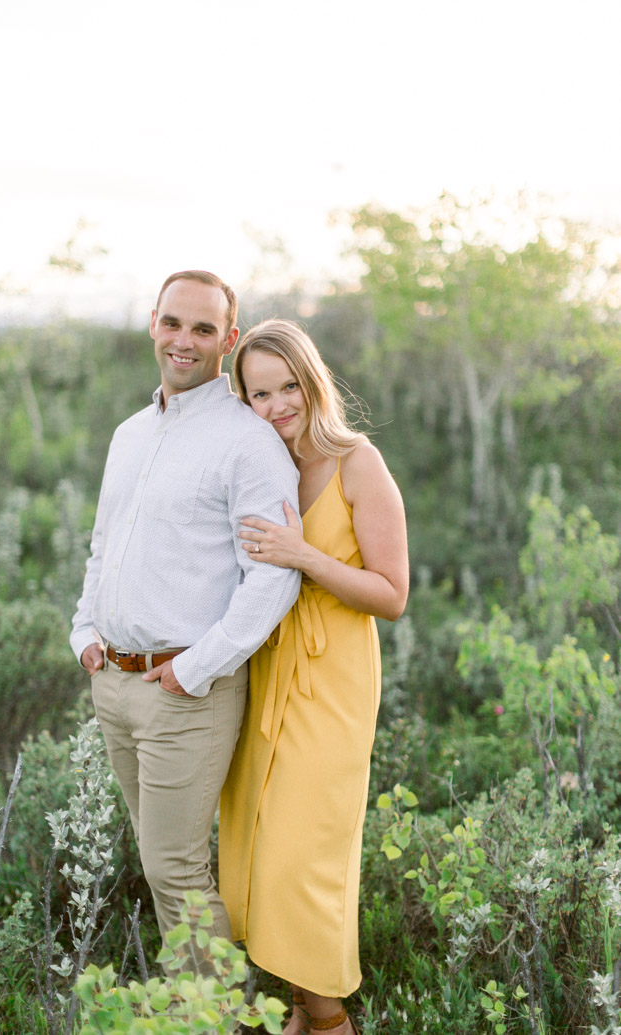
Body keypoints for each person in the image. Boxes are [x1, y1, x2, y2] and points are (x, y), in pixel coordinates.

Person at [70, 273, 301, 974]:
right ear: (152, 324)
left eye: (204, 330)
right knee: (158, 860)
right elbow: (105, 543)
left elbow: (274, 577)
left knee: (175, 869)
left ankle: (216, 1017)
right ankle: (202, 1008)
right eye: (174, 323)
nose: (185, 340)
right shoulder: (129, 434)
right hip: (112, 681)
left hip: (187, 691)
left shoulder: (247, 442)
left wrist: (196, 669)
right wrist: (84, 631)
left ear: (229, 342)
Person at [219, 319, 409, 1034]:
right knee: (261, 851)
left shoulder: (358, 462)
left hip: (331, 683)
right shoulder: (258, 466)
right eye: (259, 392)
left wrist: (304, 556)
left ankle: (329, 1020)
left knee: (303, 862)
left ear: (312, 380)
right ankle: (301, 1011)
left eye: (288, 385)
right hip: (264, 673)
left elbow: (392, 593)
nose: (277, 404)